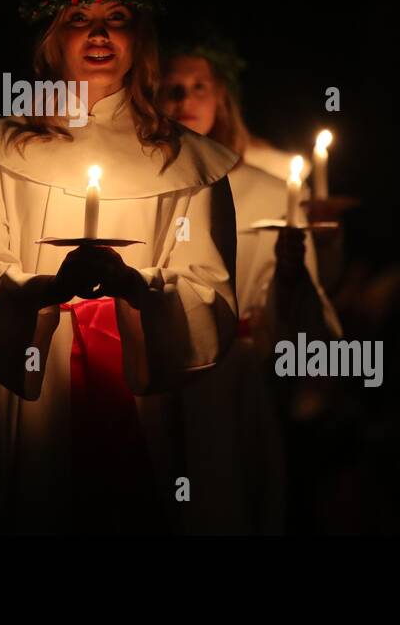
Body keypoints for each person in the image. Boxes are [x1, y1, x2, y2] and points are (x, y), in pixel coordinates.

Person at [0, 0, 244, 534]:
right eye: (79, 18)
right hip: (35, 380)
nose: (99, 33)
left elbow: (209, 290)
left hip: (138, 374)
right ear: (51, 38)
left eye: (118, 15)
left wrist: (137, 287)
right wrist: (44, 291)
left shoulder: (185, 159)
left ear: (141, 36)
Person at [158, 36, 342, 533]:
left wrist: (287, 277)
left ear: (222, 98)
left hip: (235, 374)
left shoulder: (263, 191)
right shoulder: (143, 184)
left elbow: (295, 308)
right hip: (157, 369)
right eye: (171, 87)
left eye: (199, 86)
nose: (183, 99)